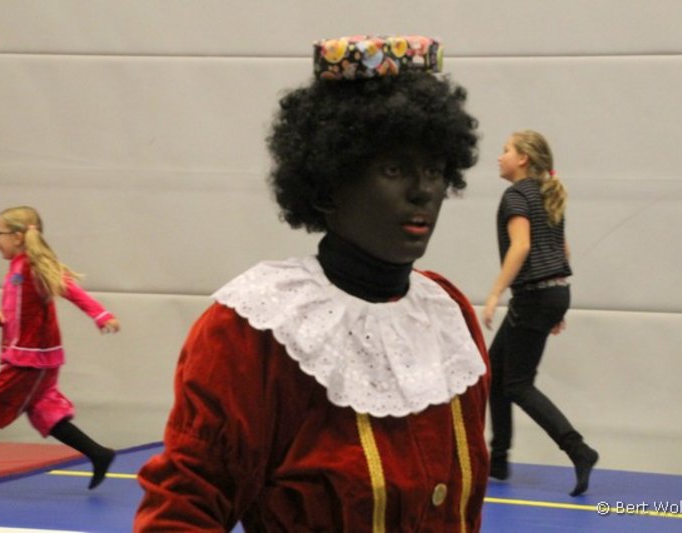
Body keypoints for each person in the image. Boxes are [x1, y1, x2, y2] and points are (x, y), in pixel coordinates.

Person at [135, 35, 491, 531]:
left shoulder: (447, 315)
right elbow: (183, 510)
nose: (423, 191)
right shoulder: (256, 328)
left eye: (434, 169)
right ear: (328, 185)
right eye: (393, 169)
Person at [0, 206, 120, 496]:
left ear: (18, 237)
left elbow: (71, 290)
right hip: (33, 358)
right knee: (44, 410)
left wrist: (101, 315)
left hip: (30, 360)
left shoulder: (33, 267)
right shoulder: (17, 267)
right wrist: (1, 316)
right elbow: (19, 304)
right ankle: (98, 454)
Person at [482, 130, 598, 496]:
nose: (499, 157)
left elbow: (521, 247)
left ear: (523, 159)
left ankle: (578, 449)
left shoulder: (517, 195)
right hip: (551, 292)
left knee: (517, 383)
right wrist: (555, 305)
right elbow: (562, 250)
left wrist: (495, 293)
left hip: (534, 296)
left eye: (505, 151)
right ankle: (498, 459)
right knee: (494, 371)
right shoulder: (546, 194)